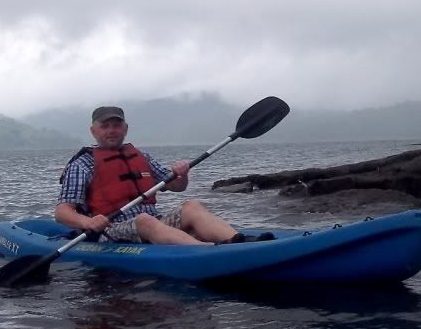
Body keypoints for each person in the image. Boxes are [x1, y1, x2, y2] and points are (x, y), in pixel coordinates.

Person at [55, 105, 272, 245]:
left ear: (125, 129)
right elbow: (62, 212)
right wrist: (87, 222)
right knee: (144, 220)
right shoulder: (83, 163)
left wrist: (182, 174)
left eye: (117, 125)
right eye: (105, 126)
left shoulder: (141, 156)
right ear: (94, 131)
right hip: (110, 232)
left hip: (155, 223)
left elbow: (177, 187)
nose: (112, 130)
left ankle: (236, 241)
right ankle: (209, 250)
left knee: (192, 206)